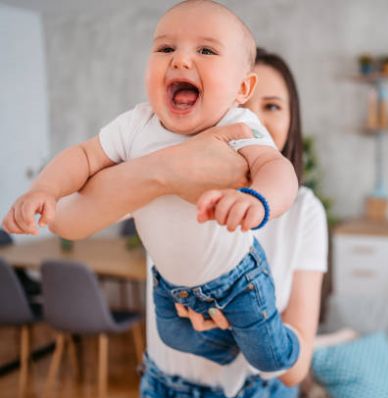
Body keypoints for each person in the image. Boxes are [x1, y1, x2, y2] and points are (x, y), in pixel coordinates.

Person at [2, 0, 302, 373]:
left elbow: (278, 169)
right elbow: (83, 156)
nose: (180, 60)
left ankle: (285, 343)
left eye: (206, 50)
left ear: (243, 87)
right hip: (168, 282)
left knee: (270, 358)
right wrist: (43, 190)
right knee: (175, 336)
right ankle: (228, 346)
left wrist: (259, 200)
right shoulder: (136, 125)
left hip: (238, 277)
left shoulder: (238, 124)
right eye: (165, 48)